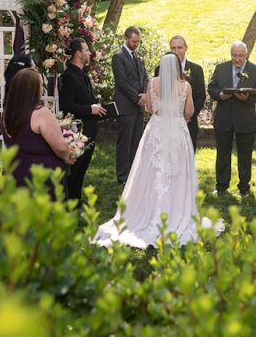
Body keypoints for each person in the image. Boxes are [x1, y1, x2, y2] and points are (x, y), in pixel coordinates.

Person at [93, 53, 222, 248]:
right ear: (177, 67)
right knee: (177, 170)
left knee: (151, 169)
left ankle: (147, 209)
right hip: (177, 130)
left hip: (156, 128)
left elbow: (150, 108)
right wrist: (179, 117)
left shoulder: (151, 83)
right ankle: (177, 210)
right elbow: (189, 112)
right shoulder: (185, 86)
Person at [2, 69, 75, 196]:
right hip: (39, 175)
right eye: (41, 85)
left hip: (13, 172)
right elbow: (60, 148)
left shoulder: (7, 113)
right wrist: (68, 157)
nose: (42, 89)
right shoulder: (41, 113)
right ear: (33, 89)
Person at [208, 41, 256, 197]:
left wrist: (247, 98)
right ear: (231, 55)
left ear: (246, 55)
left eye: (241, 56)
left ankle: (244, 187)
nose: (237, 59)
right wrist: (219, 95)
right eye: (234, 56)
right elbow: (211, 87)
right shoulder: (221, 68)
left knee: (245, 155)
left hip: (245, 118)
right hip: (224, 117)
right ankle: (221, 186)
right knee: (222, 154)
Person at [59, 38, 108, 202]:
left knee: (81, 171)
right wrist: (89, 109)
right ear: (78, 53)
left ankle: (75, 202)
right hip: (77, 133)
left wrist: (97, 108)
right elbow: (66, 106)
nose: (89, 53)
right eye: (86, 50)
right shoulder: (68, 76)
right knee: (75, 170)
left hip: (89, 130)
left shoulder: (83, 74)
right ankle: (69, 203)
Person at [110, 26, 148, 185]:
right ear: (126, 38)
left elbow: (145, 77)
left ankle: (133, 172)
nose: (136, 44)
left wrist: (145, 94)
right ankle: (123, 176)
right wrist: (136, 98)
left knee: (136, 140)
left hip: (138, 105)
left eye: (138, 42)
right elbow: (122, 82)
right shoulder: (118, 57)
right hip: (126, 105)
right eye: (134, 41)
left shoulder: (139, 56)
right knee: (125, 142)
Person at [153, 35, 206, 151]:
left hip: (188, 123)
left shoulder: (196, 69)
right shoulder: (159, 69)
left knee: (186, 159)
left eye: (179, 48)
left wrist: (188, 117)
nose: (176, 51)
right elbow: (157, 96)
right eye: (173, 48)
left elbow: (201, 96)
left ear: (186, 48)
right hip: (165, 123)